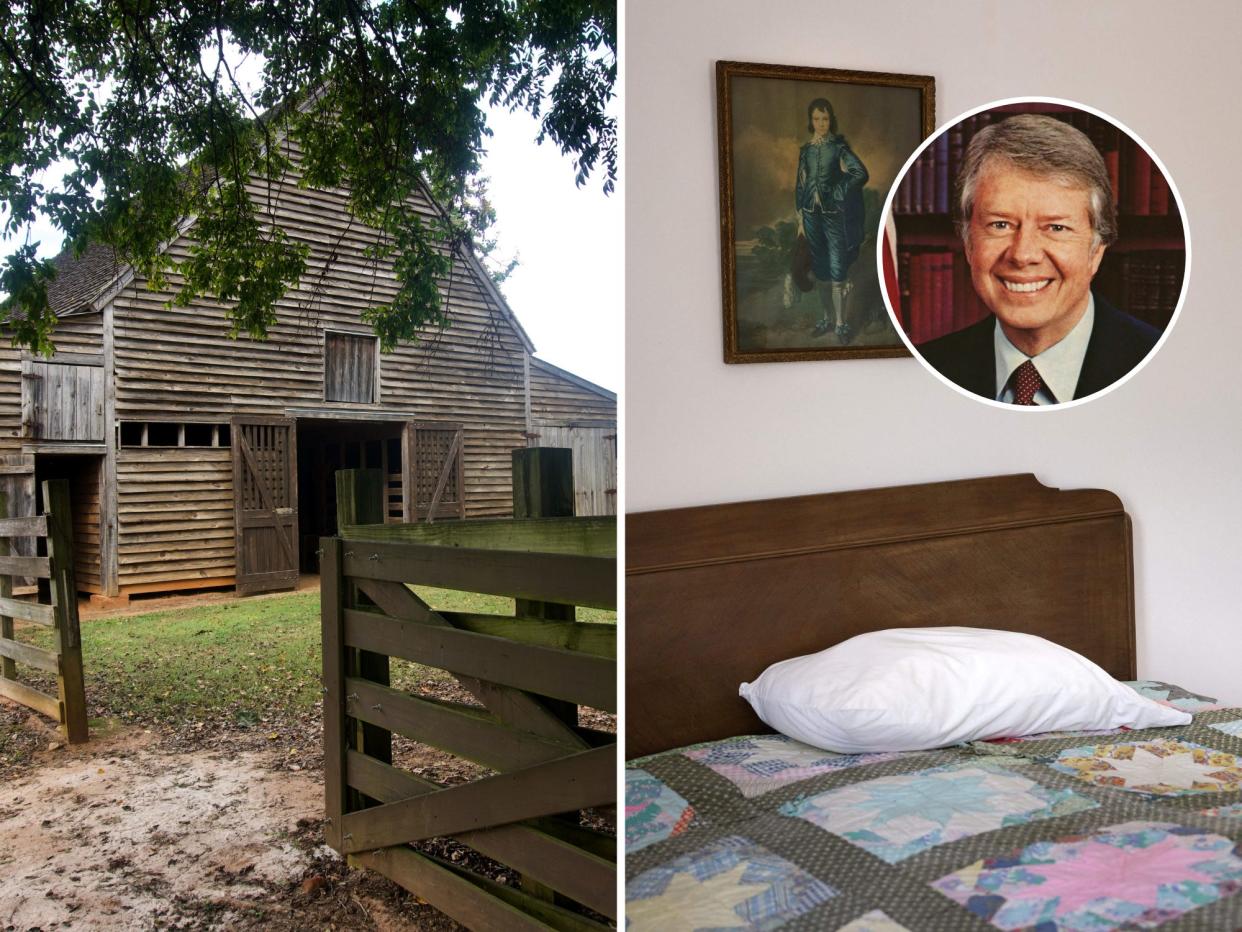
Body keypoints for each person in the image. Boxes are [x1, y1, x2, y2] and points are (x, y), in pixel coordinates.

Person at [916, 114, 1161, 404]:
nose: (1023, 255)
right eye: (1000, 224)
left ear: (1096, 251)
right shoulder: (925, 368)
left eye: (1056, 228)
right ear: (968, 244)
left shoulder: (1161, 365)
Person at [796, 98, 869, 343]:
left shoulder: (838, 149)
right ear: (811, 121)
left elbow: (860, 173)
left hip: (833, 216)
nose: (821, 123)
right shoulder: (806, 151)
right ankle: (827, 318)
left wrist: (839, 190)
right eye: (816, 119)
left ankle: (841, 324)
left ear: (831, 120)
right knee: (820, 270)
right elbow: (800, 184)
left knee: (837, 269)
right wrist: (800, 217)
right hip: (810, 216)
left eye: (825, 118)